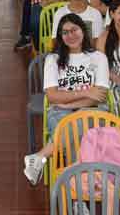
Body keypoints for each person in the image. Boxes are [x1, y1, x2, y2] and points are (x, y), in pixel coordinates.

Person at [22, 14, 112, 185]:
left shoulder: (99, 57)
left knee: (75, 130)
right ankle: (81, 196)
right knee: (77, 138)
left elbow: (98, 97)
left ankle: (41, 156)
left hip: (93, 111)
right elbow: (52, 96)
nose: (70, 35)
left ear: (83, 31)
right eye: (65, 32)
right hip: (60, 112)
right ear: (60, 37)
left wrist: (66, 102)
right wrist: (86, 93)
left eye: (74, 30)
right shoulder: (53, 59)